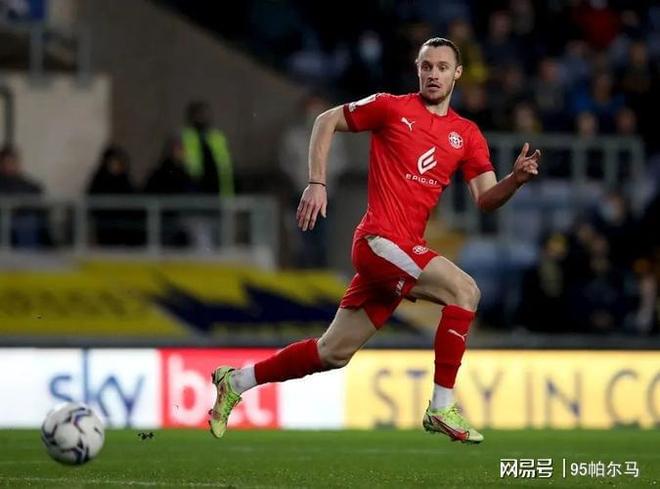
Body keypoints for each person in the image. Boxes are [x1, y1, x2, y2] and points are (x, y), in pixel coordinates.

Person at [208, 37, 541, 443]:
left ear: (457, 73)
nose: (433, 74)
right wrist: (316, 182)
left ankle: (235, 381)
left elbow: (486, 199)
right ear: (417, 69)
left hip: (400, 251)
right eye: (426, 66)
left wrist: (514, 180)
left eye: (441, 67)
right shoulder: (391, 107)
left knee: (332, 353)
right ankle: (441, 406)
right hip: (379, 241)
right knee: (465, 291)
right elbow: (325, 120)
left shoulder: (466, 135)